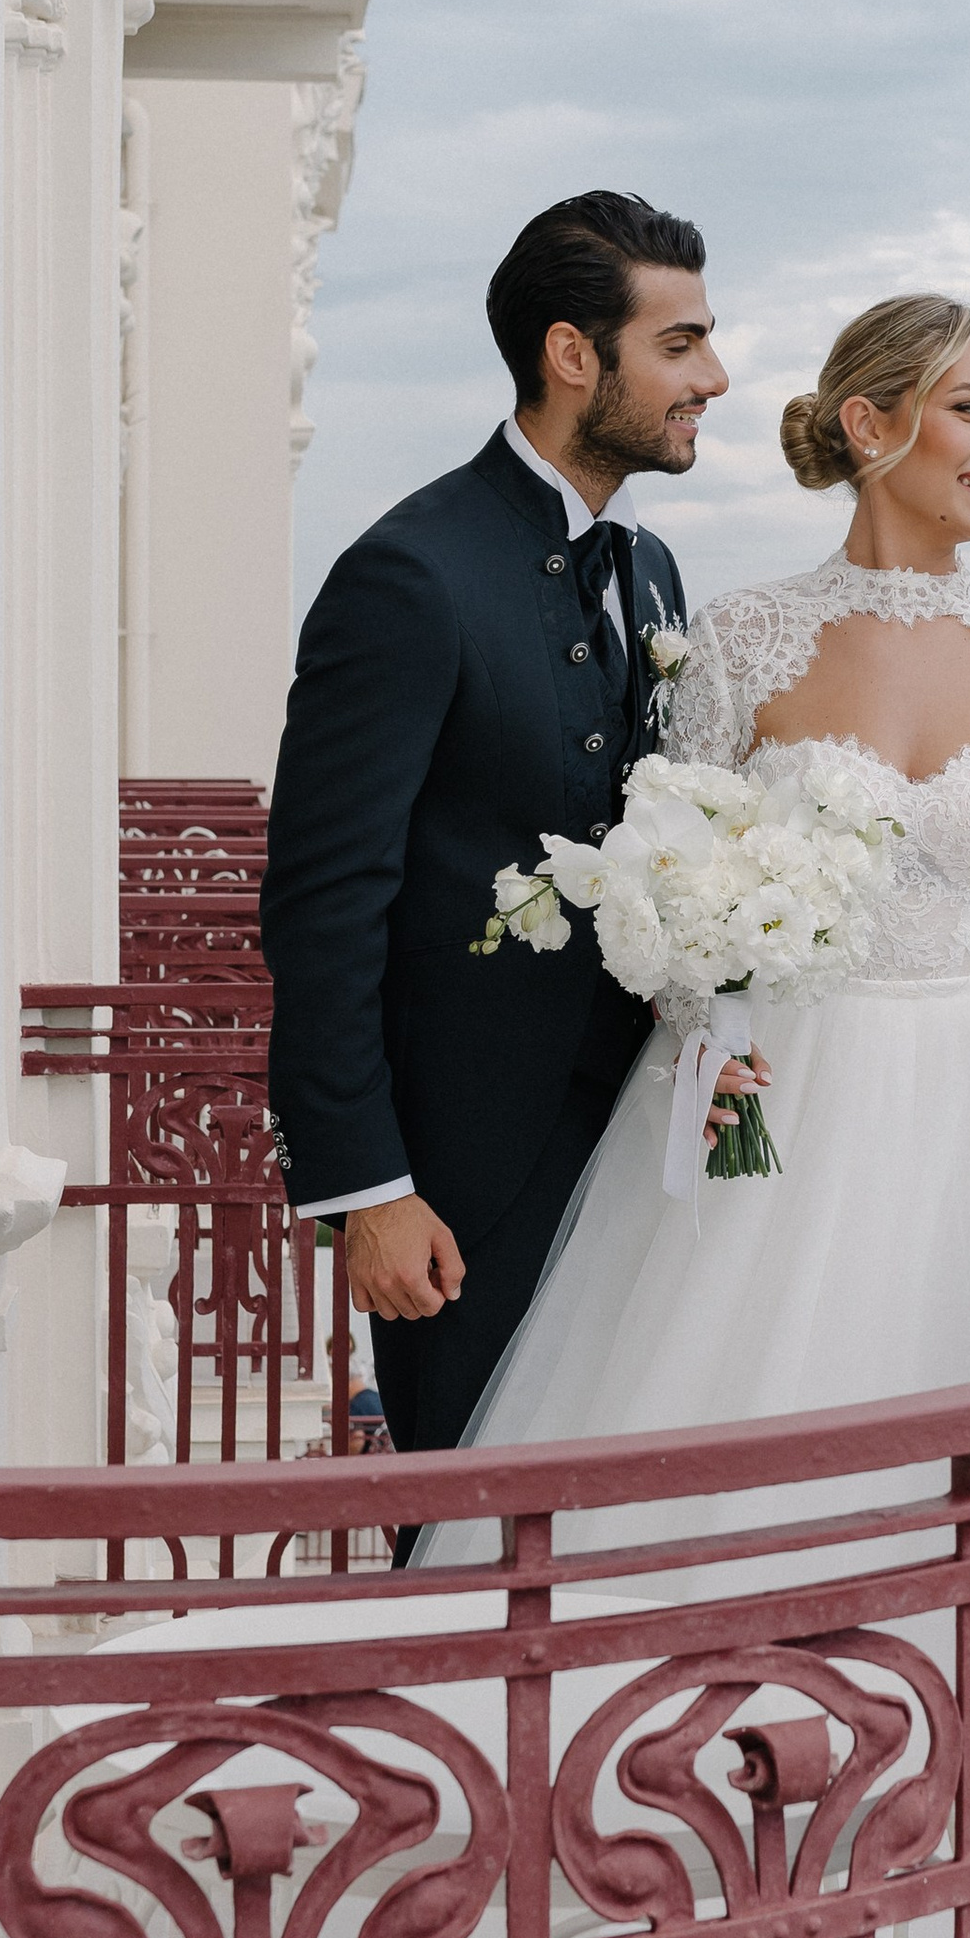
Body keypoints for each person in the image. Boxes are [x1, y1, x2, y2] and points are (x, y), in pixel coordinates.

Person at [412, 288, 970, 1551]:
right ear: (870, 423)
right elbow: (668, 872)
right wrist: (701, 1012)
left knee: (954, 1477)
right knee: (718, 1458)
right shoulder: (741, 639)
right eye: (968, 409)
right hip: (767, 1104)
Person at [260, 189, 732, 1457]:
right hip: (460, 1186)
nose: (716, 377)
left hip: (635, 1150)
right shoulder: (409, 573)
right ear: (572, 356)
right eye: (679, 344)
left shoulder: (652, 571)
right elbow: (322, 899)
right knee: (472, 1532)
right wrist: (371, 1189)